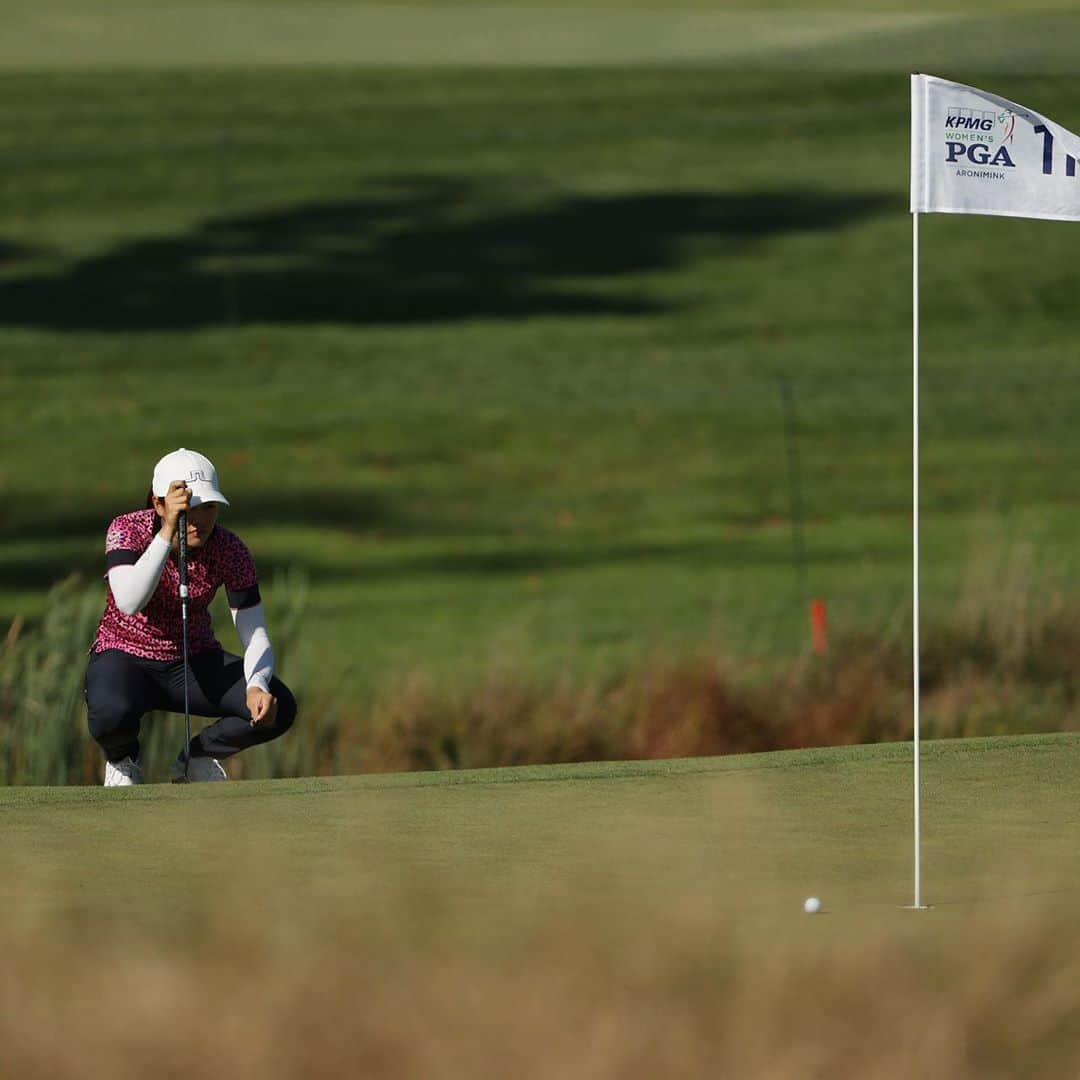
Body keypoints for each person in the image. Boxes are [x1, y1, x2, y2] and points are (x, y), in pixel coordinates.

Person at [85, 448, 297, 785]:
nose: (199, 519)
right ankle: (123, 760)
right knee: (109, 712)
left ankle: (199, 757)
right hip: (125, 657)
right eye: (189, 509)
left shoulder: (231, 549)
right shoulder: (128, 529)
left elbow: (254, 630)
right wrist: (166, 533)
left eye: (208, 507)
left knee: (279, 707)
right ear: (159, 504)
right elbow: (129, 601)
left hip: (193, 662)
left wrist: (256, 684)